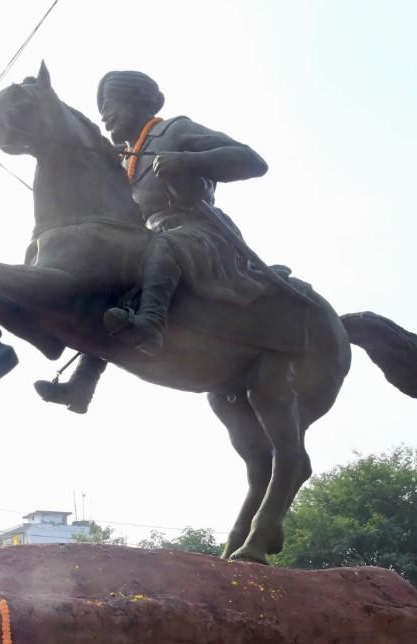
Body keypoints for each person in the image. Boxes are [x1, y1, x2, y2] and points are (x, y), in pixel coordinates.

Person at [38, 70, 272, 412]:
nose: (104, 114)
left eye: (110, 103)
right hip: (151, 236)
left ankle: (151, 326)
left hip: (198, 231)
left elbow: (252, 162)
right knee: (109, 288)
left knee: (161, 246)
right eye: (101, 108)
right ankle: (82, 385)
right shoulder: (123, 159)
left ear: (138, 101)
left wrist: (188, 161)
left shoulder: (174, 130)